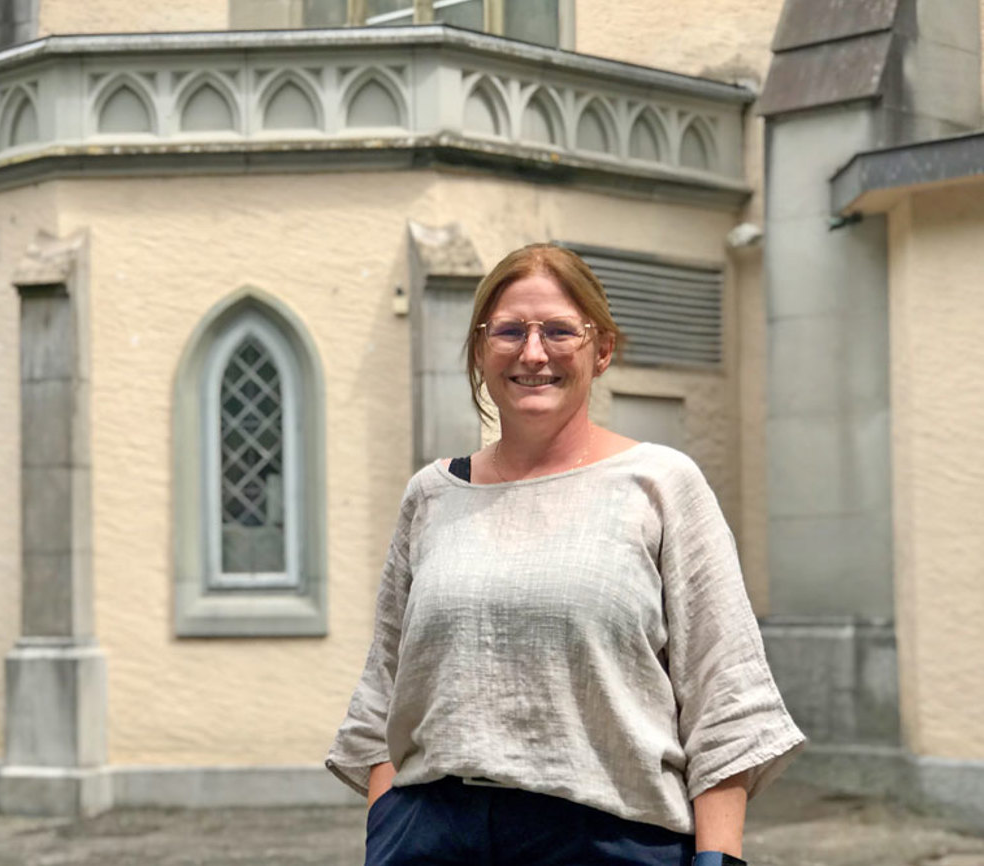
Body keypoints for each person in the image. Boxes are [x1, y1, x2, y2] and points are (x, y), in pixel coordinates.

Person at [326, 244, 805, 866]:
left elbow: (724, 697)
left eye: (558, 331)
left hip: (607, 841)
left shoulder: (660, 483)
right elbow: (385, 695)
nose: (532, 352)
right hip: (433, 837)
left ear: (600, 349)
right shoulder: (432, 495)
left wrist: (719, 860)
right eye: (508, 331)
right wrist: (389, 828)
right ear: (479, 349)